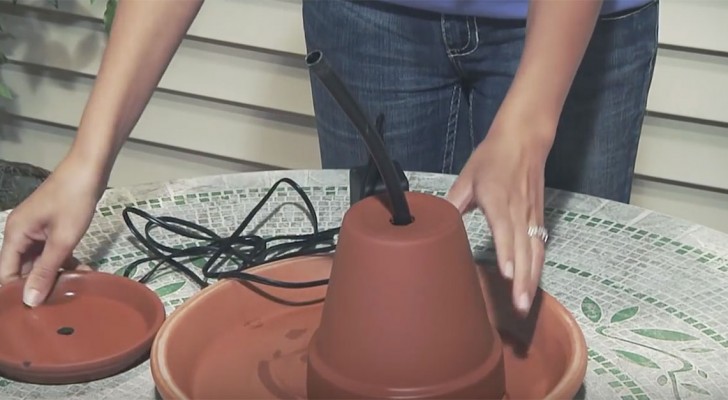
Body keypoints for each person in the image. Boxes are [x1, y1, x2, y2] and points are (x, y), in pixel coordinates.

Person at [0, 0, 658, 315]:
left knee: (555, 309)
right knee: (384, 305)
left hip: (581, 22)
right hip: (370, 19)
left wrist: (534, 115)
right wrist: (86, 162)